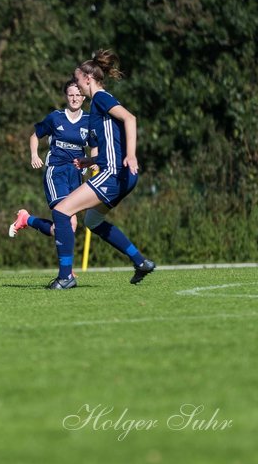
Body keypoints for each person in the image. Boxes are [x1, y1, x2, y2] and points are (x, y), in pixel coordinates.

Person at [42, 49, 156, 290]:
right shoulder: (97, 107)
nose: (76, 86)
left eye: (77, 80)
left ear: (87, 78)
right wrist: (89, 161)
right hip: (119, 173)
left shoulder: (101, 98)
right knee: (92, 220)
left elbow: (130, 119)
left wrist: (132, 155)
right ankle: (140, 261)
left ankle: (66, 277)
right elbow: (112, 142)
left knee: (62, 212)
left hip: (114, 173)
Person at [9, 79, 92, 241]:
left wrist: (93, 162)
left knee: (66, 227)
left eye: (78, 94)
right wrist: (34, 155)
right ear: (66, 97)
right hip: (56, 171)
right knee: (68, 222)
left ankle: (27, 219)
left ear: (84, 97)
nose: (74, 98)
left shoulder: (89, 120)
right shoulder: (56, 117)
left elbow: (95, 145)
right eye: (71, 95)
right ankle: (67, 267)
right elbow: (35, 136)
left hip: (75, 174)